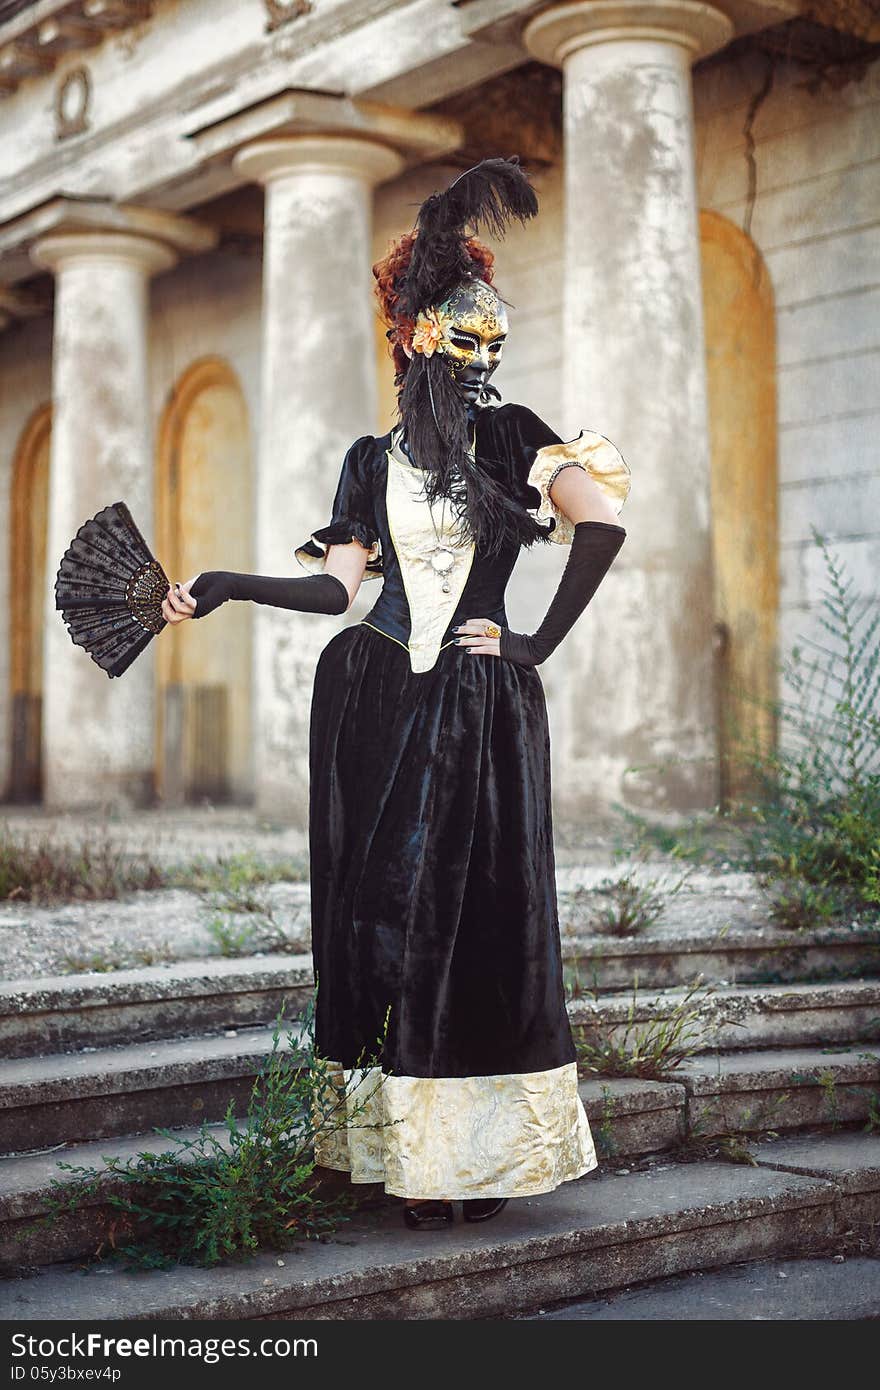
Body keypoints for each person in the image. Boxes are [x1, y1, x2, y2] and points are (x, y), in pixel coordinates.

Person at [161, 158, 631, 1232]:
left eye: (490, 337)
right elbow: (338, 589)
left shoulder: (512, 436)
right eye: (461, 334)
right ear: (413, 336)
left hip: (476, 708)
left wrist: (531, 643)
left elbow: (600, 519)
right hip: (372, 706)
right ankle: (389, 1151)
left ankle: (465, 1162)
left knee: (466, 917)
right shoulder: (367, 460)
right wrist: (225, 584)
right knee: (377, 919)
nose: (482, 354)